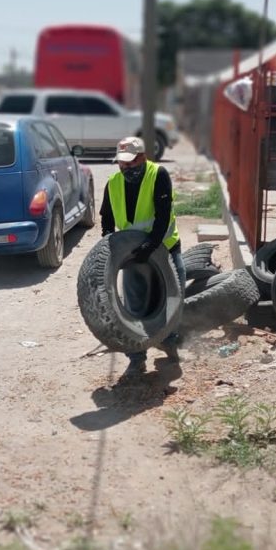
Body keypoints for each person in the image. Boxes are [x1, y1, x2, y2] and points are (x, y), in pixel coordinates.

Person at [100, 136, 186, 378]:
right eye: (122, 163)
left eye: (131, 162)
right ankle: (136, 359)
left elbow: (163, 214)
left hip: (165, 248)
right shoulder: (113, 183)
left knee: (172, 299)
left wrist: (151, 245)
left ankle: (169, 341)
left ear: (143, 157)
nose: (126, 167)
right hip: (134, 256)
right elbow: (106, 219)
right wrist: (111, 245)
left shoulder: (158, 175)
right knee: (134, 306)